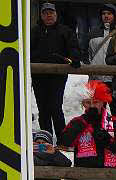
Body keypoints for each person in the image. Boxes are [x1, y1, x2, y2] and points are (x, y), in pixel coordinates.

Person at [31, 2, 81, 139]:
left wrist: (74, 58)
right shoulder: (34, 31)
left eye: (51, 13)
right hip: (38, 75)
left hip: (58, 75)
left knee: (55, 106)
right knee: (43, 108)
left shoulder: (65, 31)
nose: (49, 15)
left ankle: (62, 139)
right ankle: (46, 139)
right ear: (41, 15)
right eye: (46, 13)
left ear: (56, 14)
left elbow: (74, 48)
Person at [86, 4, 116, 87]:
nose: (106, 16)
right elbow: (85, 52)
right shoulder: (92, 33)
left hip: (114, 77)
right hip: (95, 76)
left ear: (114, 16)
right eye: (103, 13)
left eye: (109, 13)